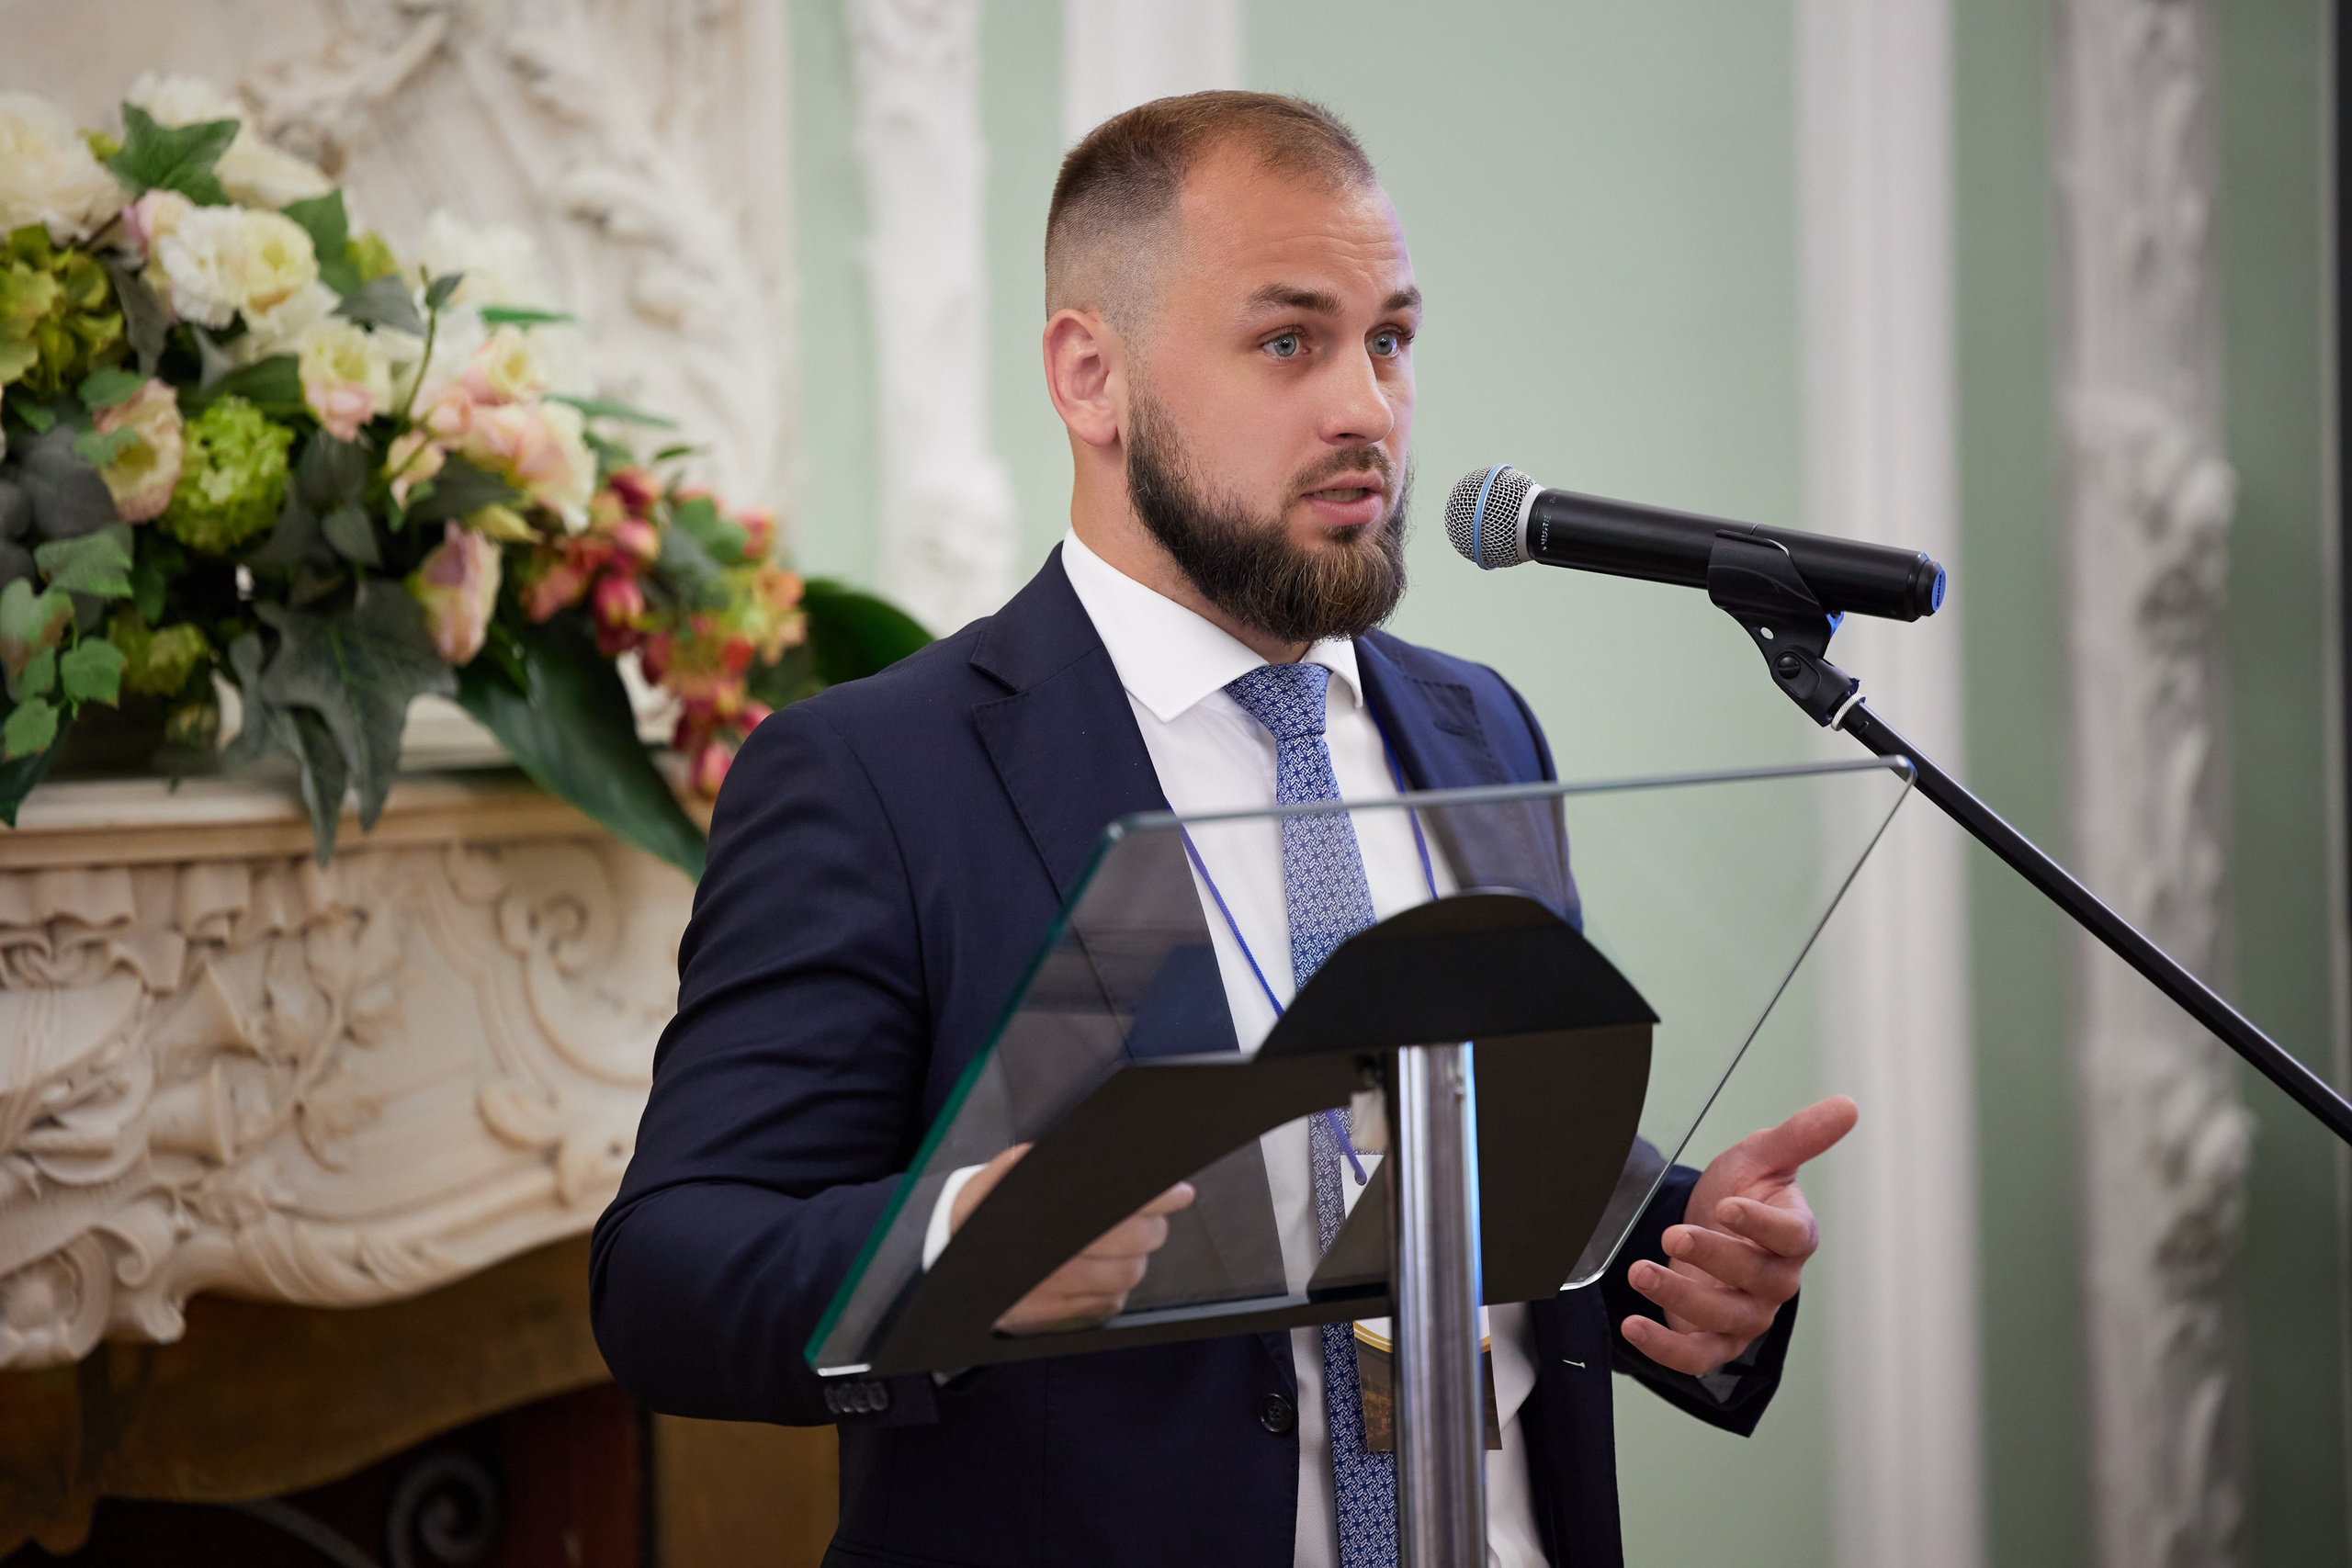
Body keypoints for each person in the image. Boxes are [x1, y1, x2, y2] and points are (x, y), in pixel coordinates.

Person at [591, 90, 1857, 1568]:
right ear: (1090, 375)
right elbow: (668, 1282)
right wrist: (955, 1254)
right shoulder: (875, 775)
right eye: (1287, 342)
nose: (1368, 411)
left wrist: (1682, 1273)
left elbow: (1449, 1167)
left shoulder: (1479, 730)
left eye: (1389, 339)